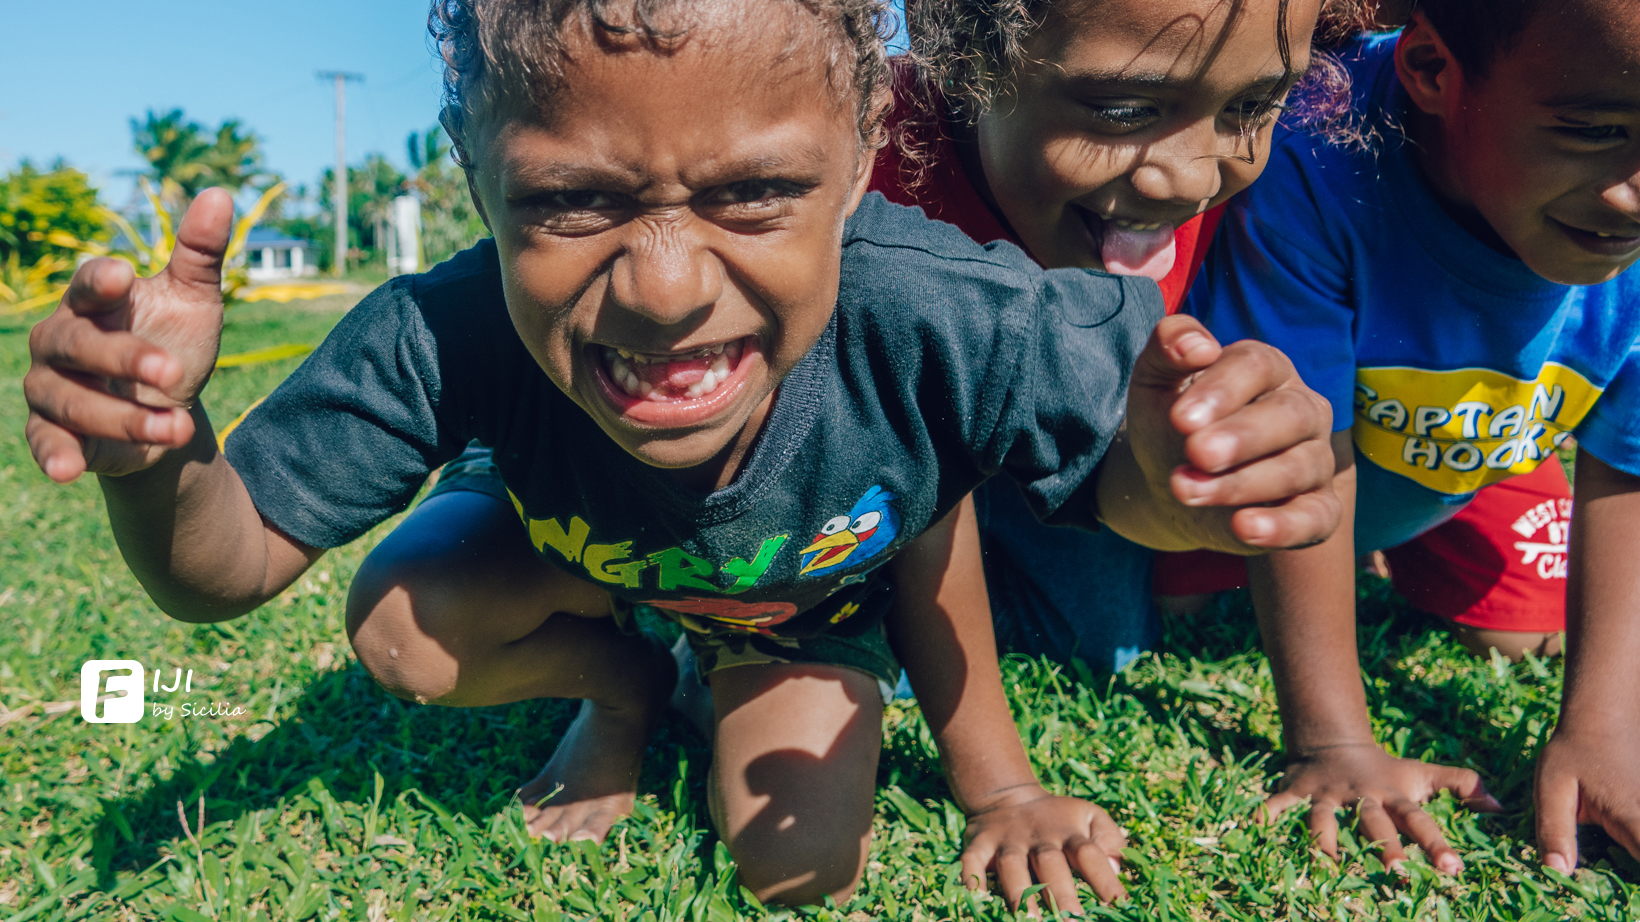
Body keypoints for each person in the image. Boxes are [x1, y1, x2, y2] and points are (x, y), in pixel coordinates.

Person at [22, 0, 1339, 911]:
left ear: (865, 152)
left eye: (752, 194)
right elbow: (227, 563)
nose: (662, 289)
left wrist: (1180, 484)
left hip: (797, 606)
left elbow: (1090, 481)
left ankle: (709, 672)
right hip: (576, 554)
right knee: (403, 628)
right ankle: (625, 688)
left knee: (797, 865)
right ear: (476, 175)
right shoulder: (447, 327)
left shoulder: (936, 304)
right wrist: (156, 458)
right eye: (570, 201)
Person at [883, 0, 1498, 877]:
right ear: (970, 49)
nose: (1191, 176)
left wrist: (1181, 495)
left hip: (1041, 453)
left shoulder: (1201, 186)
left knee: (1102, 640)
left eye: (1251, 107)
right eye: (1124, 111)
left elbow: (1117, 487)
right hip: (852, 462)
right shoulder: (862, 176)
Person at [1186, 0, 1640, 874]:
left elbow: (1629, 454)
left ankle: (1395, 542)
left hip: (1478, 440)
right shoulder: (1317, 151)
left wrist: (1602, 727)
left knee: (1515, 633)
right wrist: (1333, 740)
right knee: (1162, 610)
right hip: (1278, 467)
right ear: (1431, 70)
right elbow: (1295, 445)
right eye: (1591, 131)